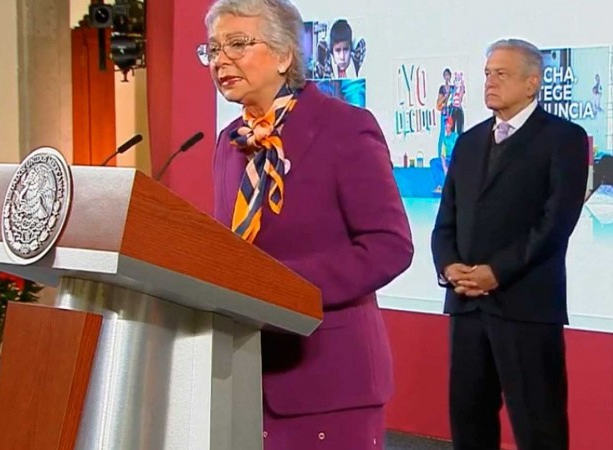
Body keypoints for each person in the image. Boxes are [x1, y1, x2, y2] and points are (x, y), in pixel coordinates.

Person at [197, 1, 413, 448]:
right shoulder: (229, 141)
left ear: (284, 55)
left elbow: (389, 246)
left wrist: (281, 286)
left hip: (328, 379)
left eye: (237, 44)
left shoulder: (344, 128)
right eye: (213, 49)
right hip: (242, 375)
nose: (220, 60)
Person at [431, 38, 589, 450]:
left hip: (527, 308)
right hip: (466, 307)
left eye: (501, 74)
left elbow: (555, 224)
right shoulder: (468, 142)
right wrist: (449, 266)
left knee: (539, 426)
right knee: (469, 422)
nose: (490, 82)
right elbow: (446, 220)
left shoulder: (565, 138)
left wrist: (497, 272)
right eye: (487, 73)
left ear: (532, 83)